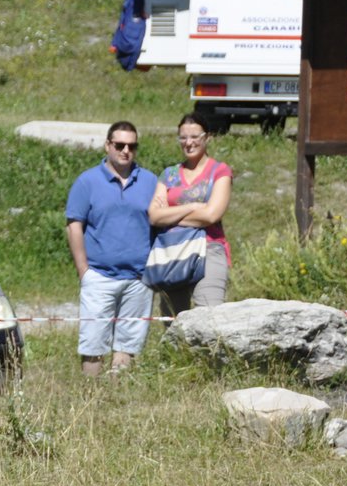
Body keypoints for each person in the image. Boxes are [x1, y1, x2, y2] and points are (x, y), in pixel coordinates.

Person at [65, 121, 157, 376]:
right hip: (99, 275)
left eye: (132, 146)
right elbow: (74, 226)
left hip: (138, 279)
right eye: (119, 145)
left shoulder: (149, 181)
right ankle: (91, 398)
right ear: (108, 145)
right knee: (93, 343)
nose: (126, 150)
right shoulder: (87, 182)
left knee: (127, 345)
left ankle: (116, 396)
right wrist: (84, 270)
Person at [148, 113, 233, 314]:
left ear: (207, 138)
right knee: (173, 322)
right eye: (183, 137)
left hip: (209, 248)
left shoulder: (220, 171)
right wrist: (193, 206)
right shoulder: (168, 174)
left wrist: (169, 214)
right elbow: (154, 216)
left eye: (195, 137)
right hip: (173, 251)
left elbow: (211, 216)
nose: (189, 143)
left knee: (210, 317)